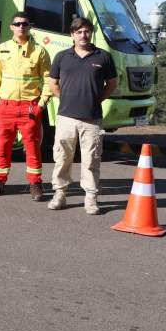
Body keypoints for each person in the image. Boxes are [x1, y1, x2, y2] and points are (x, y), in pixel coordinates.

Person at [47, 17, 117, 215]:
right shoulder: (62, 57)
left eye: (86, 31)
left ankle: (91, 198)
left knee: (91, 160)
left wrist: (96, 99)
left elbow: (111, 84)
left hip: (92, 119)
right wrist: (67, 98)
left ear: (91, 33)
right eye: (79, 32)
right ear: (72, 35)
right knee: (62, 158)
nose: (83, 35)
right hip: (66, 118)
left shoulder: (103, 56)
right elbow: (53, 84)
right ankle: (60, 194)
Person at [0, 11, 52, 201]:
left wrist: (41, 104)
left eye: (25, 24)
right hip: (5, 106)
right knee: (2, 145)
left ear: (29, 27)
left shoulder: (39, 51)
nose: (21, 27)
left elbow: (49, 80)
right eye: (18, 24)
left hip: (30, 107)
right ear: (11, 27)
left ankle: (35, 183)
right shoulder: (2, 49)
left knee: (32, 146)